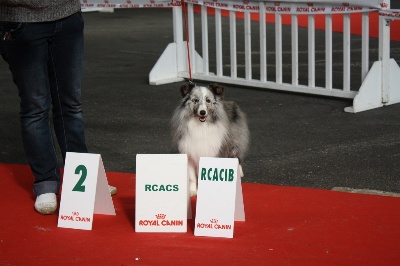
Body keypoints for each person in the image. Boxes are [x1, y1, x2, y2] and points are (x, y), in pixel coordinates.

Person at [0, 0, 116, 215]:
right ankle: (46, 184)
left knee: (70, 104)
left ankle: (85, 179)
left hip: (68, 16)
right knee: (35, 107)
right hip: (22, 20)